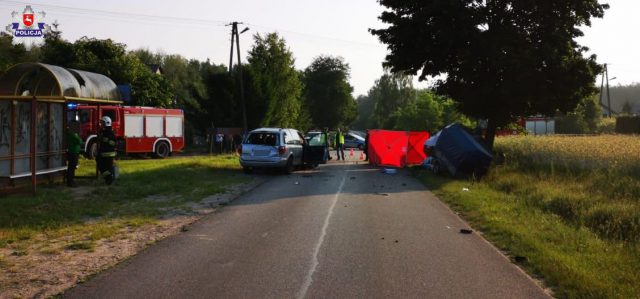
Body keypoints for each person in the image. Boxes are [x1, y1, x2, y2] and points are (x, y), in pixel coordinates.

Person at [97, 116, 117, 185]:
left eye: (102, 123)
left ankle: (109, 178)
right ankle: (109, 178)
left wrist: (107, 140)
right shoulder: (103, 131)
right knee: (104, 167)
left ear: (106, 123)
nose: (101, 124)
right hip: (103, 153)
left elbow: (114, 143)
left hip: (108, 153)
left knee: (104, 167)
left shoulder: (110, 133)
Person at [66, 120, 82, 187]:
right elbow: (79, 141)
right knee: (72, 167)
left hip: (71, 152)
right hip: (74, 152)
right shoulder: (73, 134)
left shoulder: (69, 133)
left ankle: (70, 181)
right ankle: (71, 182)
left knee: (71, 167)